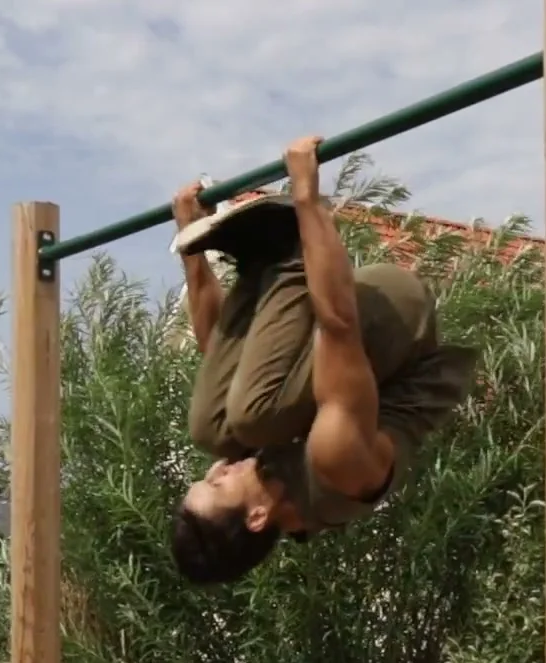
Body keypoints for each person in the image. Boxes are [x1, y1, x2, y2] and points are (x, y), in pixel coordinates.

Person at [166, 136, 477, 586]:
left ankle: (257, 263)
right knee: (252, 420)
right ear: (257, 518)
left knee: (212, 429)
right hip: (396, 319)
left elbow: (217, 349)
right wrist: (308, 201)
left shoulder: (262, 476)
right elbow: (339, 325)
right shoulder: (336, 468)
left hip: (344, 334)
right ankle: (283, 247)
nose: (218, 471)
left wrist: (193, 252)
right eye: (217, 485)